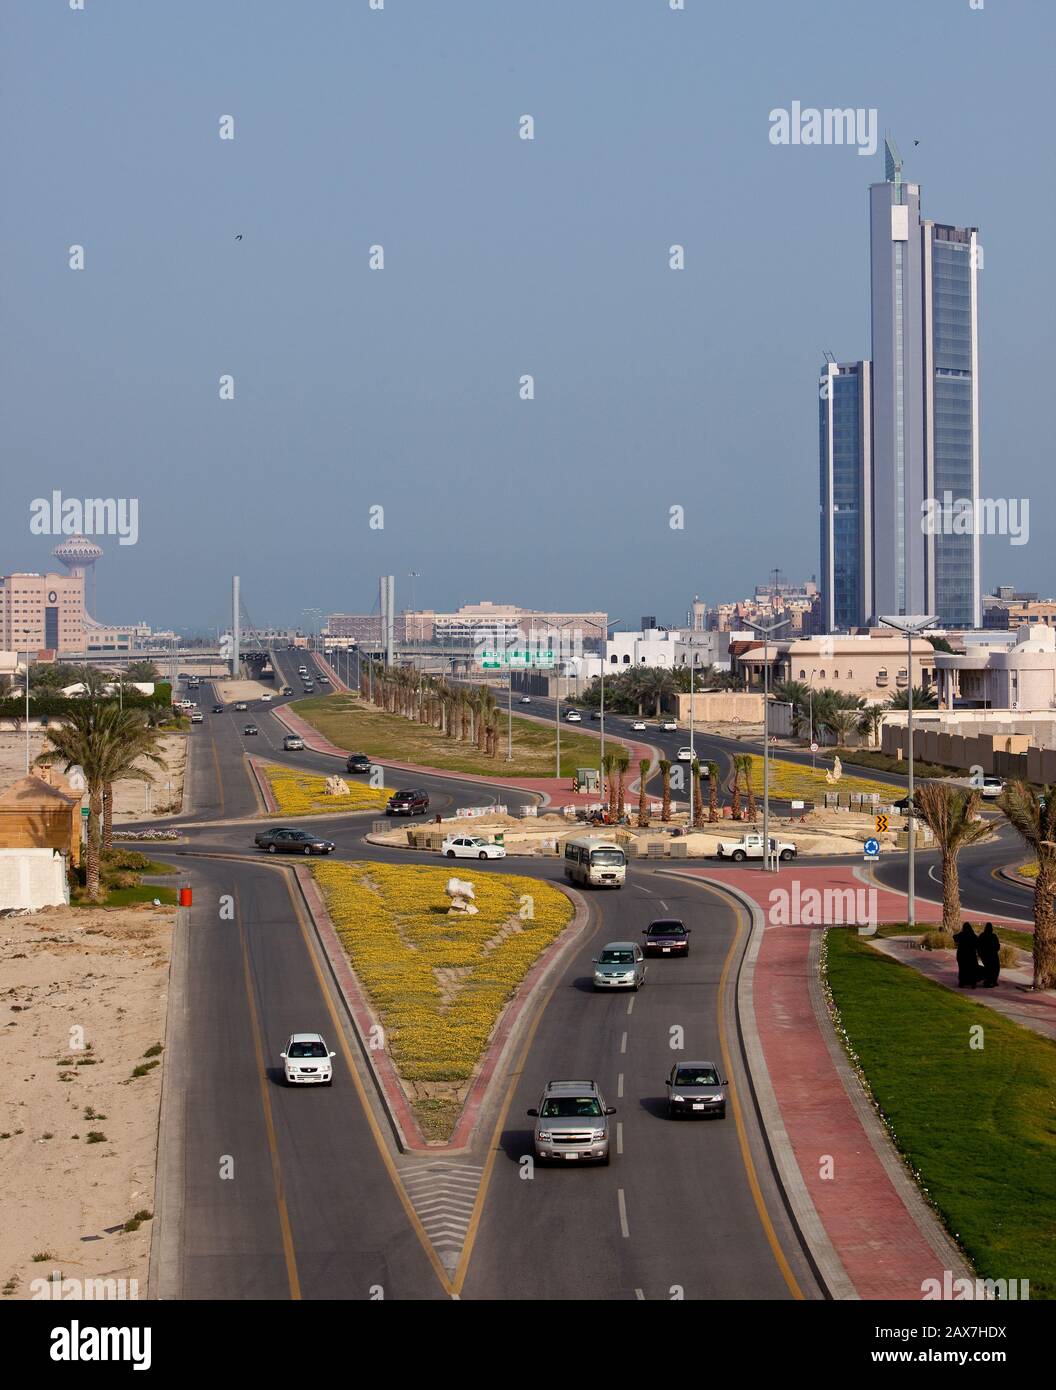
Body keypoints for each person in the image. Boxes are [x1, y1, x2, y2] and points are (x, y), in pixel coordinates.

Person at [954, 922, 981, 988]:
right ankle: (973, 983)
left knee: (962, 969)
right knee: (972, 969)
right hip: (971, 956)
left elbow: (954, 937)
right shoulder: (973, 935)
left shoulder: (961, 935)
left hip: (962, 955)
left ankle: (962, 982)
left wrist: (961, 932)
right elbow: (978, 944)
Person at [977, 922, 1001, 988]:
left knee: (989, 967)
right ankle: (992, 980)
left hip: (985, 955)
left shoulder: (982, 935)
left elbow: (978, 945)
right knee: (995, 967)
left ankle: (990, 980)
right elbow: (997, 946)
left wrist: (980, 954)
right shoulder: (993, 936)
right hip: (992, 955)